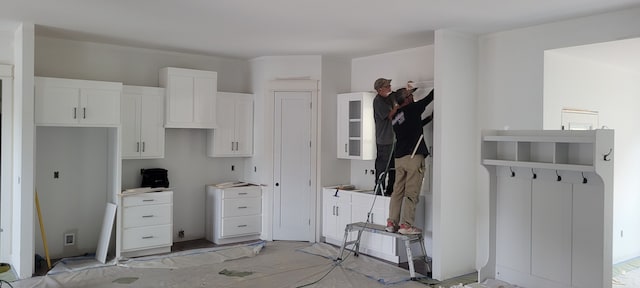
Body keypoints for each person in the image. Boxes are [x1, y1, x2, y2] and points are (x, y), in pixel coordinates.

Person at [386, 87, 434, 235]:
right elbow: (429, 98)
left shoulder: (396, 117)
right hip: (413, 156)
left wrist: (428, 119)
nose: (413, 97)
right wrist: (440, 81)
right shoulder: (413, 108)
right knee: (411, 192)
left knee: (398, 191)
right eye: (410, 95)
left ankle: (391, 223)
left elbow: (411, 126)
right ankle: (406, 225)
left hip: (399, 158)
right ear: (406, 99)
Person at [372, 78, 398, 196]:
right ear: (380, 89)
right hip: (384, 141)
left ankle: (390, 191)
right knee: (383, 168)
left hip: (392, 140)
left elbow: (397, 95)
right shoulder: (378, 101)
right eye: (387, 86)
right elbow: (389, 115)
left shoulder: (389, 98)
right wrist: (397, 108)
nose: (390, 87)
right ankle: (379, 191)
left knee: (393, 168)